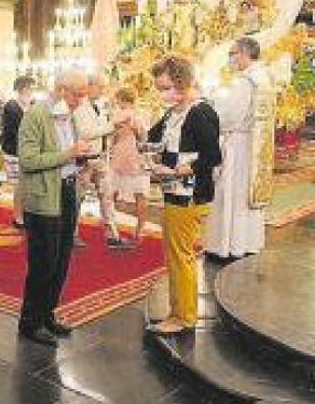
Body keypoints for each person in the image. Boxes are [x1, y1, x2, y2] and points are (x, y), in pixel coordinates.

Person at [147, 55, 221, 334]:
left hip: (189, 195)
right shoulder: (175, 111)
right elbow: (155, 137)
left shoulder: (200, 111)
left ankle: (184, 316)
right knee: (175, 256)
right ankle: (177, 311)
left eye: (166, 87)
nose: (162, 94)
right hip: (173, 192)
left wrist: (179, 171)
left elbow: (213, 156)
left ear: (182, 82)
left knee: (181, 257)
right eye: (159, 88)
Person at [17, 70, 91, 347]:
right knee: (43, 263)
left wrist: (79, 159)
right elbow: (28, 160)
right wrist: (68, 155)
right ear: (62, 90)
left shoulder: (66, 114)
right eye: (78, 94)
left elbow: (66, 151)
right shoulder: (36, 115)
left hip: (66, 191)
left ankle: (47, 314)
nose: (81, 101)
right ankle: (30, 321)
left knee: (61, 261)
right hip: (43, 198)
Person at [206, 37, 266, 259]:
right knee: (247, 195)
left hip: (238, 144)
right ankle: (247, 242)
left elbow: (230, 116)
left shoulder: (244, 82)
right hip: (255, 145)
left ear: (243, 53)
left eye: (232, 53)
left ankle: (228, 246)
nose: (230, 59)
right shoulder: (264, 78)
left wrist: (211, 111)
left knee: (231, 193)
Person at [73, 74, 123, 247]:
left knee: (107, 196)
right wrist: (111, 126)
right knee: (77, 198)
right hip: (84, 160)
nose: (103, 91)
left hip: (100, 158)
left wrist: (112, 130)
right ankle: (71, 234)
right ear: (90, 86)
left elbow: (100, 131)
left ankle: (112, 235)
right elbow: (85, 133)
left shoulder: (98, 106)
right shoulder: (80, 106)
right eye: (100, 87)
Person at [109, 87, 150, 245]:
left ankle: (112, 228)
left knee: (111, 193)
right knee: (141, 195)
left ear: (122, 99)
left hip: (121, 155)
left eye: (118, 99)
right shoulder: (142, 115)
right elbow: (144, 137)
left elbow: (112, 137)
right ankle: (140, 231)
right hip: (137, 157)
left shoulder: (117, 115)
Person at [3, 76, 36, 228]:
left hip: (30, 150)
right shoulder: (11, 106)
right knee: (19, 186)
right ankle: (18, 217)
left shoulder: (34, 104)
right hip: (14, 151)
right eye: (31, 87)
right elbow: (12, 131)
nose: (33, 90)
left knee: (28, 185)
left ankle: (26, 213)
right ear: (23, 88)